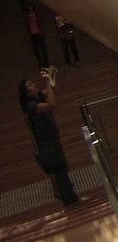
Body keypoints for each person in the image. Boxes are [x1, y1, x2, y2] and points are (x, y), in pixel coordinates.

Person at [18, 69, 80, 206]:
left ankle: (69, 196)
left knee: (62, 169)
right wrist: (47, 82)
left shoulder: (36, 98)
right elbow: (51, 105)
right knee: (60, 170)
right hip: (47, 143)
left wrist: (50, 78)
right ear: (26, 92)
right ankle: (70, 200)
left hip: (51, 140)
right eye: (30, 85)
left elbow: (51, 89)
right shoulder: (32, 106)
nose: (34, 85)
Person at [21, 0, 49, 68]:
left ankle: (46, 63)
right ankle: (40, 63)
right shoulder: (26, 14)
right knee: (36, 50)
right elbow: (26, 23)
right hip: (33, 34)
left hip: (40, 33)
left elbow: (41, 20)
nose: (29, 7)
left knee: (43, 49)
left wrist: (35, 18)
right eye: (28, 5)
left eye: (30, 5)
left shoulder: (36, 12)